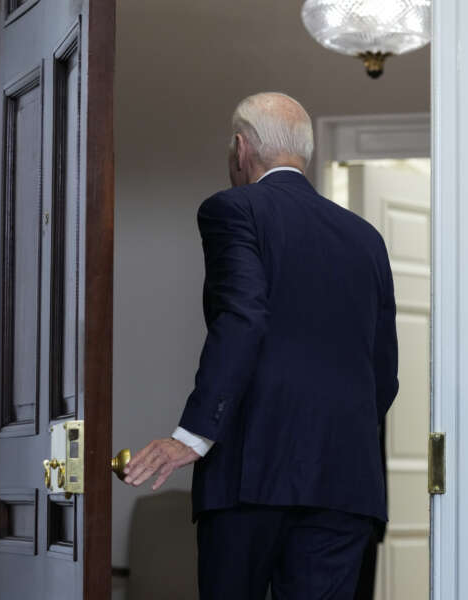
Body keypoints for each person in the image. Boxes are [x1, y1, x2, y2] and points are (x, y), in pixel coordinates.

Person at [121, 92, 399, 600]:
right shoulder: (367, 238)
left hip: (251, 477)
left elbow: (243, 318)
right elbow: (384, 372)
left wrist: (194, 434)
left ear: (241, 147)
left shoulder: (233, 209)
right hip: (345, 482)